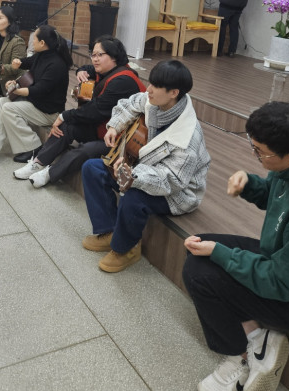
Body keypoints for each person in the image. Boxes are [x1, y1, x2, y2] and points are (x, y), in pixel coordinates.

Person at [181, 101, 289, 391]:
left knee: (201, 272)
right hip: (288, 265)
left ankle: (241, 356)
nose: (256, 156)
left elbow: (283, 283)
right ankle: (257, 335)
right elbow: (275, 195)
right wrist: (250, 185)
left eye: (260, 152)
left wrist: (221, 254)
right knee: (201, 248)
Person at [81, 60, 209, 273]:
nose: (148, 89)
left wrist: (134, 175)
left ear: (173, 93)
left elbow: (174, 180)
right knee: (92, 168)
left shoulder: (188, 136)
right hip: (141, 170)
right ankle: (110, 231)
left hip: (178, 192)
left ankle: (127, 249)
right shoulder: (154, 101)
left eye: (156, 86)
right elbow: (130, 104)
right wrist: (114, 126)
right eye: (150, 83)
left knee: (133, 197)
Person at [13, 35, 144, 188]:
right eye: (93, 55)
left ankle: (50, 173)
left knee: (85, 150)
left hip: (120, 141)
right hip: (103, 128)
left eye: (100, 55)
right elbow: (89, 69)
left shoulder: (123, 80)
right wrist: (81, 71)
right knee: (65, 127)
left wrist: (64, 115)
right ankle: (38, 163)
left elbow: (95, 110)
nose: (95, 59)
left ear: (114, 56)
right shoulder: (110, 70)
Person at [0, 24, 71, 165]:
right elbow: (27, 62)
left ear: (42, 43)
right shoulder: (42, 55)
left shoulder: (57, 65)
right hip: (35, 103)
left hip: (49, 112)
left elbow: (39, 89)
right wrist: (18, 63)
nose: (32, 42)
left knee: (8, 108)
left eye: (34, 39)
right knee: (0, 103)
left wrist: (15, 89)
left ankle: (33, 147)